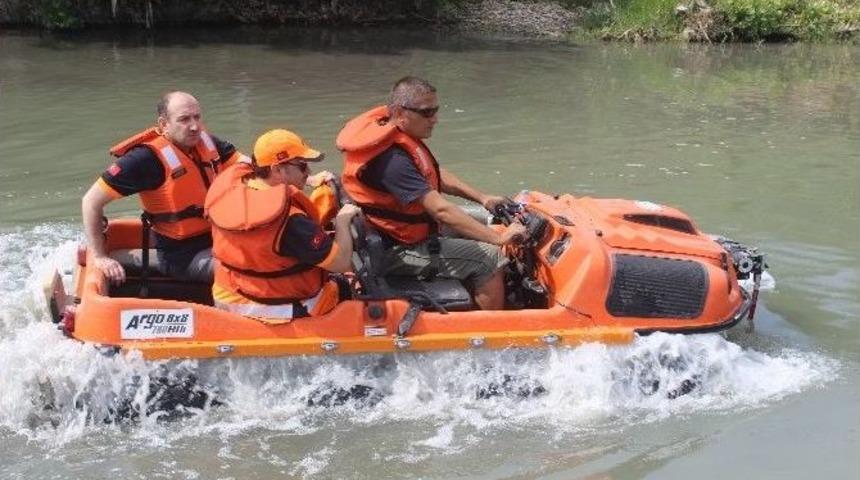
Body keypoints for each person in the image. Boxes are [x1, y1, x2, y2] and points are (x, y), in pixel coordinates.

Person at [337, 76, 525, 310]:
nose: (435, 119)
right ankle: (494, 332)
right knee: (490, 258)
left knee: (480, 234)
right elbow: (441, 210)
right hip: (396, 250)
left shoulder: (396, 137)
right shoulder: (391, 160)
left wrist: (483, 198)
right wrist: (499, 239)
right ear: (399, 112)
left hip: (397, 236)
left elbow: (432, 174)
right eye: (426, 113)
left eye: (435, 110)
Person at [81, 91, 244, 284]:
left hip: (219, 238)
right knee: (247, 270)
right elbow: (90, 202)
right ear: (164, 124)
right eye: (184, 119)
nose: (194, 126)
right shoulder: (144, 159)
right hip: (183, 256)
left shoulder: (208, 144)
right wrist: (100, 257)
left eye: (197, 117)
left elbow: (253, 169)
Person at [205, 129, 360, 321]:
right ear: (277, 170)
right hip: (276, 308)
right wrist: (343, 221)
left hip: (229, 296)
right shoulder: (291, 222)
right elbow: (341, 262)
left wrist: (306, 180)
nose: (309, 172)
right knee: (345, 283)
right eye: (303, 167)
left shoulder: (234, 192)